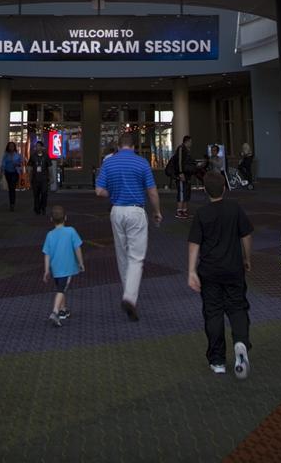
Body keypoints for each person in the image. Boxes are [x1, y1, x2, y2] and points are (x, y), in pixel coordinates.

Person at [188, 169, 253, 377]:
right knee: (237, 308)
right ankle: (241, 343)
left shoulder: (202, 213)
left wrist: (191, 271)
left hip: (209, 271)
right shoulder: (235, 208)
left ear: (205, 191)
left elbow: (194, 244)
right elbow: (246, 236)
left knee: (213, 313)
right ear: (224, 188)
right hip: (234, 269)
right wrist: (247, 258)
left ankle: (217, 360)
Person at [95, 130, 162, 321]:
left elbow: (99, 191)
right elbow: (152, 192)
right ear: (133, 146)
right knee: (136, 257)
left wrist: (113, 194)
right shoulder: (142, 163)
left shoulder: (109, 163)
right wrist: (156, 212)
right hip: (136, 211)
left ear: (118, 146)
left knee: (122, 255)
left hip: (116, 211)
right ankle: (129, 298)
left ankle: (127, 293)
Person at [42, 204, 85, 327]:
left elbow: (47, 254)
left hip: (55, 269)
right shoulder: (71, 231)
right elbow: (77, 248)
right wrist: (81, 262)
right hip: (67, 268)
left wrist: (46, 270)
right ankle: (55, 311)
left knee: (61, 288)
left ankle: (63, 310)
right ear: (65, 218)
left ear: (51, 220)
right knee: (61, 289)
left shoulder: (49, 235)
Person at [172, 134, 196, 220]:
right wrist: (181, 173)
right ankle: (179, 211)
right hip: (182, 175)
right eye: (190, 142)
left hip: (187, 174)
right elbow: (179, 161)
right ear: (187, 141)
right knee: (182, 192)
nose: (191, 143)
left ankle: (184, 210)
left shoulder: (186, 150)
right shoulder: (181, 149)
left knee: (186, 192)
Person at [27, 140, 52, 215]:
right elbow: (30, 166)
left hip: (44, 178)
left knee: (44, 193)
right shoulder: (33, 156)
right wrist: (29, 176)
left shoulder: (46, 156)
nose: (37, 147)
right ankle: (37, 208)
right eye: (36, 146)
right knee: (36, 194)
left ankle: (43, 207)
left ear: (42, 147)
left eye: (39, 146)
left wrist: (51, 177)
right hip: (35, 178)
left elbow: (50, 167)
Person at [1, 140, 23, 212]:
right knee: (10, 188)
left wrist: (17, 164)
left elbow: (21, 162)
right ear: (8, 147)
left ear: (14, 147)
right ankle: (11, 203)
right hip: (8, 173)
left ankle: (12, 204)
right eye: (10, 146)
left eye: (12, 146)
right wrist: (2, 170)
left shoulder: (17, 155)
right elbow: (3, 163)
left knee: (12, 187)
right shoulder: (6, 155)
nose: (11, 147)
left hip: (15, 172)